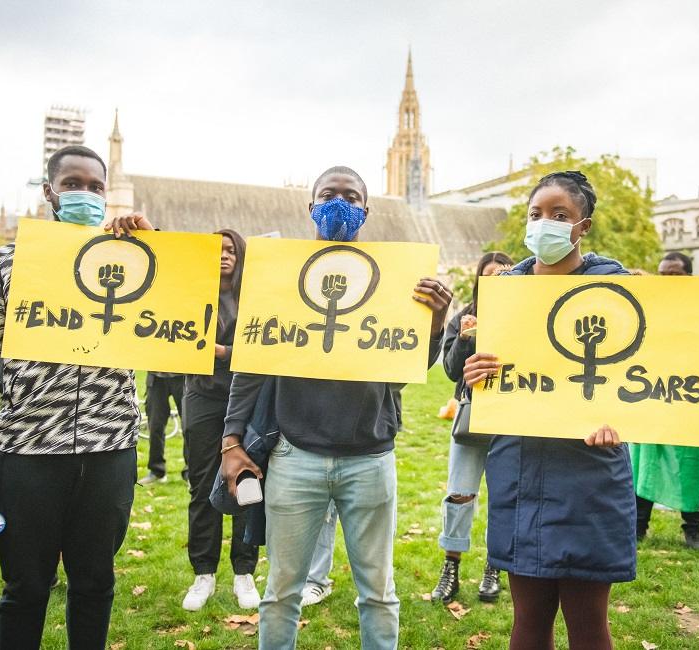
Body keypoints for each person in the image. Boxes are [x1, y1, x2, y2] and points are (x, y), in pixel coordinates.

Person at [220, 166, 451, 649]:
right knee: (281, 590)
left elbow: (407, 368)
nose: (338, 204)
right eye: (329, 195)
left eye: (350, 196)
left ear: (366, 210)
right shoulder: (281, 277)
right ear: (311, 206)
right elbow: (251, 365)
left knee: (379, 592)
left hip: (369, 456)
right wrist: (231, 439)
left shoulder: (396, 280)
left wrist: (435, 323)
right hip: (295, 455)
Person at [0, 145, 151, 650]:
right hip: (30, 453)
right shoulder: (4, 267)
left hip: (110, 450)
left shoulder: (128, 261)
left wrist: (156, 253)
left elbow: (179, 326)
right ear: (49, 192)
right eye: (73, 185)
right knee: (25, 588)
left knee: (95, 584)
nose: (85, 195)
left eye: (96, 187)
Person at [462, 171, 634, 650]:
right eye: (536, 215)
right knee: (529, 619)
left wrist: (622, 423)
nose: (546, 225)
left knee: (588, 623)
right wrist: (472, 370)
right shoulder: (506, 288)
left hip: (590, 474)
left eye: (561, 216)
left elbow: (643, 376)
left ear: (584, 227)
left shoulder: (617, 287)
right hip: (521, 470)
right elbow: (471, 373)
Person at [179, 229, 261, 611]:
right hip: (201, 396)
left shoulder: (255, 298)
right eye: (217, 250)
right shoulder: (192, 294)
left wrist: (224, 351)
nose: (224, 256)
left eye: (231, 250)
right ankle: (204, 572)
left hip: (244, 399)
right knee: (200, 485)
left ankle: (244, 573)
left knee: (246, 483)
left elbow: (266, 345)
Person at [431, 251, 513, 604]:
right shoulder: (464, 317)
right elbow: (450, 371)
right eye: (489, 274)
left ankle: (494, 567)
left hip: (512, 417)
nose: (496, 280)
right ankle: (451, 567)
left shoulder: (522, 316)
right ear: (480, 278)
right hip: (471, 414)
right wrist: (465, 340)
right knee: (460, 492)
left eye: (503, 275)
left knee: (504, 496)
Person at [630, 252, 699, 550]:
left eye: (675, 274)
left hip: (690, 398)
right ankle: (639, 524)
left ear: (689, 276)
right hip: (651, 393)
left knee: (691, 462)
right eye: (663, 274)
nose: (668, 280)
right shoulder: (648, 308)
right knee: (645, 461)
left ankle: (693, 528)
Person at [138, 371, 185, 486]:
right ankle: (156, 471)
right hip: (156, 376)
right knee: (155, 426)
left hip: (183, 375)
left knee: (190, 426)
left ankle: (191, 473)